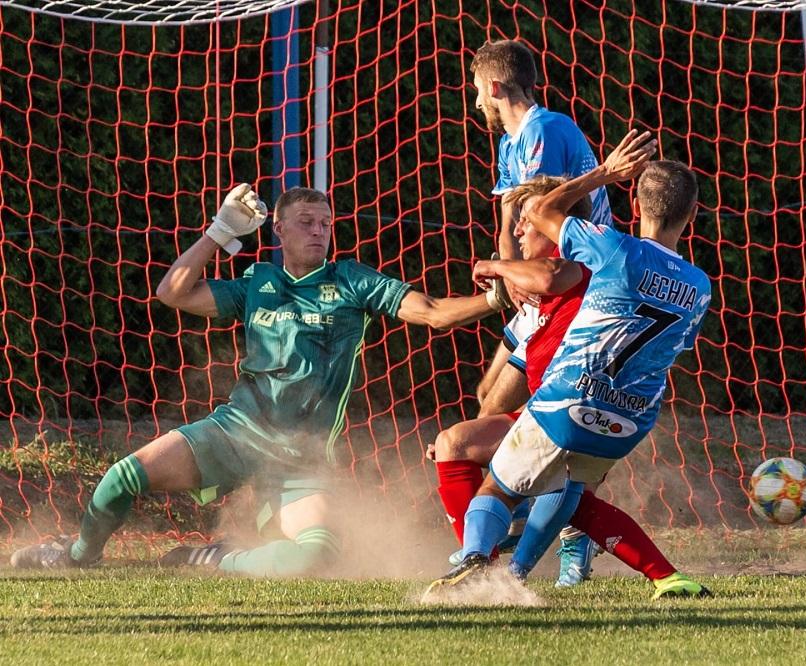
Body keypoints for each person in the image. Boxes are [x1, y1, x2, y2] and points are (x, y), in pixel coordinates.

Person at [11, 184, 508, 575]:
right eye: (306, 222)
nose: (320, 232)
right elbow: (173, 292)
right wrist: (219, 231)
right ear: (279, 232)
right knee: (122, 478)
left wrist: (491, 301)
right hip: (234, 431)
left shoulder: (352, 281)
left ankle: (212, 559)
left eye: (326, 224)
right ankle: (77, 554)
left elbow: (434, 313)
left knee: (315, 557)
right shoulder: (258, 282)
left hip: (299, 461)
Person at [428, 130, 712, 598]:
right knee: (566, 490)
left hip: (570, 399)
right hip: (629, 420)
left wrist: (604, 174)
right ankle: (657, 575)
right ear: (693, 215)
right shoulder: (699, 286)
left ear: (635, 209)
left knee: (497, 489)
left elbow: (542, 221)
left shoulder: (612, 248)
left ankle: (478, 563)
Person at [430, 38, 612, 582]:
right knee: (491, 401)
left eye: (475, 89)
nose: (474, 101)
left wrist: (511, 272)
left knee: (566, 420)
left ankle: (570, 534)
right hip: (536, 292)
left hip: (573, 290)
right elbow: (513, 219)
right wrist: (508, 274)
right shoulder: (514, 140)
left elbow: (539, 210)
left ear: (493, 86)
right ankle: (501, 531)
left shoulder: (541, 129)